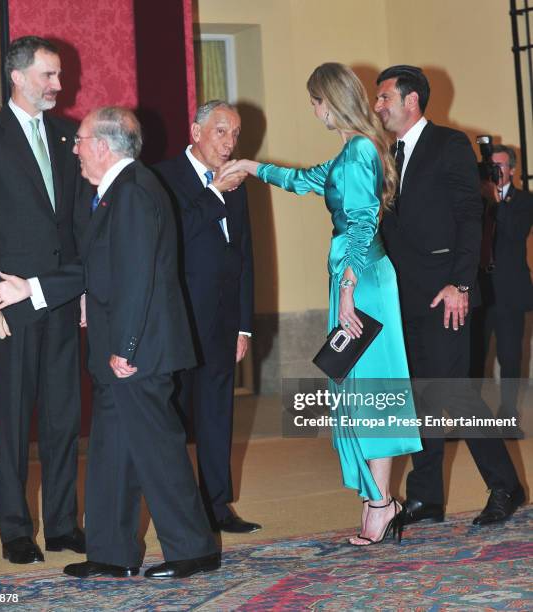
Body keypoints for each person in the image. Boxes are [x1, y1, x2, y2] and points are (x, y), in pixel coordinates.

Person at [0, 107, 219, 580]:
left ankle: (194, 550)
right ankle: (111, 553)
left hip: (138, 352)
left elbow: (138, 279)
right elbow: (96, 268)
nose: (74, 148)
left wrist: (126, 348)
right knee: (112, 454)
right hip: (124, 350)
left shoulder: (132, 192)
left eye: (81, 140)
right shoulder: (116, 193)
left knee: (158, 450)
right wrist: (30, 287)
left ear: (104, 146)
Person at [225, 63, 422, 546]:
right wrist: (254, 168)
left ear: (330, 100)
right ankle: (380, 500)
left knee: (369, 390)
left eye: (315, 101)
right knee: (361, 388)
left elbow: (361, 222)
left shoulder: (357, 150)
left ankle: (380, 504)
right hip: (358, 278)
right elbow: (306, 180)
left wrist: (350, 292)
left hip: (363, 281)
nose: (313, 110)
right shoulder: (352, 151)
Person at [0, 36, 87, 564]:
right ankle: (15, 530)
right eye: (49, 76)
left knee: (63, 418)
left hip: (56, 298)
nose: (59, 85)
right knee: (12, 421)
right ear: (18, 76)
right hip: (7, 303)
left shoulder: (64, 135)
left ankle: (61, 525)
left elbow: (74, 225)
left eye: (58, 76)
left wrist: (80, 291)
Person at [375, 65, 525, 526]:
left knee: (456, 394)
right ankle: (426, 497)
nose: (378, 106)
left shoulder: (450, 144)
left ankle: (505, 487)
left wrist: (461, 283)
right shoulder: (386, 154)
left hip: (447, 292)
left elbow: (468, 215)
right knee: (420, 397)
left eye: (384, 98)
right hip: (404, 295)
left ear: (411, 101)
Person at [153, 100, 260, 534]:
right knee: (175, 415)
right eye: (221, 132)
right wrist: (215, 192)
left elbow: (245, 257)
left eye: (236, 134)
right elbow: (174, 234)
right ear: (196, 132)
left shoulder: (238, 183)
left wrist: (244, 323)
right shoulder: (162, 178)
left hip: (222, 321)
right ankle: (182, 511)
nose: (230, 142)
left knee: (217, 415)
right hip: (179, 318)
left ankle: (218, 506)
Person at [471, 145, 533, 435]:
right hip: (479, 293)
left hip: (510, 293)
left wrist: (497, 202)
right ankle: (467, 418)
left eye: (501, 166)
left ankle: (509, 417)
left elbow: (516, 233)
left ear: (513, 169)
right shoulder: (477, 199)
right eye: (491, 167)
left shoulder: (524, 201)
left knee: (510, 358)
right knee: (473, 357)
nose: (496, 171)